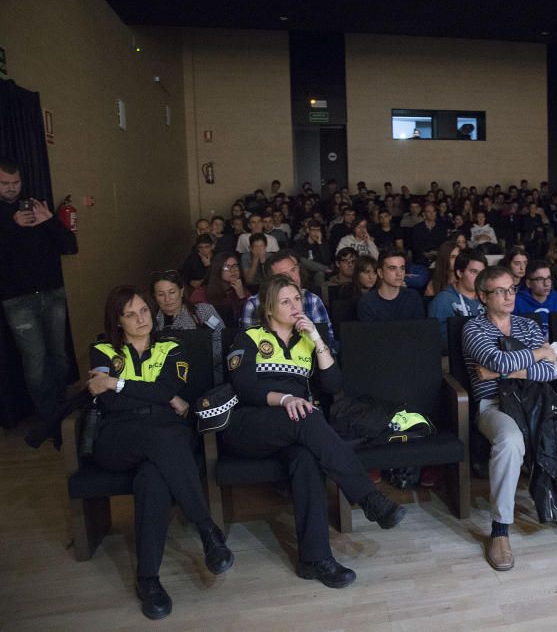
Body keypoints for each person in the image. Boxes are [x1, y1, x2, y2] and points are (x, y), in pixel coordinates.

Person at [224, 275, 404, 589]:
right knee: (306, 416)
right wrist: (286, 398)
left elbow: (334, 385)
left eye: (298, 300)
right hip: (248, 426)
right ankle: (369, 498)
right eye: (286, 301)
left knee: (305, 460)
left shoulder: (307, 338)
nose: (295, 306)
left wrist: (319, 342)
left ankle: (315, 560)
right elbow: (245, 387)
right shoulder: (249, 337)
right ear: (269, 308)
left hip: (293, 431)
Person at [88, 286, 232, 619]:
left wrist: (120, 384)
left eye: (143, 311)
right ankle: (207, 529)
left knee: (153, 479)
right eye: (130, 314)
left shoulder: (172, 345)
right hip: (117, 437)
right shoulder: (102, 349)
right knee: (163, 441)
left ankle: (148, 580)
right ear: (117, 321)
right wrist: (155, 396)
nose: (140, 319)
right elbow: (109, 400)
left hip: (165, 432)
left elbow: (168, 388)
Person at [462, 266, 557, 571]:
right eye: (499, 291)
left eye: (511, 289)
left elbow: (551, 370)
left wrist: (503, 371)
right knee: (510, 440)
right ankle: (500, 529)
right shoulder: (473, 329)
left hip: (539, 400)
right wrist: (536, 354)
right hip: (495, 404)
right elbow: (498, 358)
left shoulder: (527, 325)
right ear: (482, 296)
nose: (508, 296)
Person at [0, 158, 78, 445]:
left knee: (59, 356)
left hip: (52, 292)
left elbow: (70, 247)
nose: (11, 189)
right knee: (35, 362)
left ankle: (61, 410)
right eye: (5, 184)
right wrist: (11, 226)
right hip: (17, 300)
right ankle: (48, 419)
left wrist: (50, 223)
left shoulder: (36, 207)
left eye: (15, 183)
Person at [241, 251, 337, 350]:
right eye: (284, 274)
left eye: (293, 270)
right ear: (271, 280)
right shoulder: (254, 304)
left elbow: (328, 345)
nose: (293, 277)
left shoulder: (312, 300)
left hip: (311, 362)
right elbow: (248, 348)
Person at [150, 270, 225, 384]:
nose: (167, 299)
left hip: (208, 376)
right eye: (161, 294)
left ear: (181, 291)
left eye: (172, 292)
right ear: (155, 296)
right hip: (169, 382)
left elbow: (222, 340)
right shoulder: (151, 323)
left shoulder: (203, 311)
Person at [428, 250, 487, 348]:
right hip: (454, 358)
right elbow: (438, 341)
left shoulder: (488, 298)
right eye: (474, 272)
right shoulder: (442, 301)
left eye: (482, 273)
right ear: (459, 273)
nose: (479, 277)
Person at [357, 250, 425, 322]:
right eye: (393, 268)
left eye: (402, 268)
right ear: (380, 273)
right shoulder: (367, 303)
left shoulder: (413, 297)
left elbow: (420, 330)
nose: (399, 274)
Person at [514, 259, 557, 340]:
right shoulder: (516, 304)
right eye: (540, 279)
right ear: (529, 283)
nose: (546, 284)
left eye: (548, 278)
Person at [191, 252, 248, 327]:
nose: (233, 270)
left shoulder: (243, 292)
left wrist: (242, 297)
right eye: (227, 267)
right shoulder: (200, 293)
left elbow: (248, 319)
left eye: (235, 266)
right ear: (217, 269)